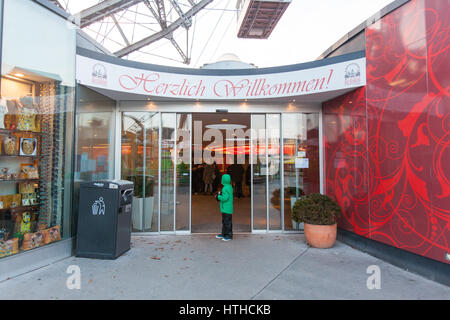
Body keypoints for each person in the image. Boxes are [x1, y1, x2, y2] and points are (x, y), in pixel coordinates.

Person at [215, 174, 233, 241]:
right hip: (226, 208)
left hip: (226, 209)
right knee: (225, 222)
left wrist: (218, 197)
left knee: (227, 223)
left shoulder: (225, 188)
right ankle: (224, 234)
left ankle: (228, 235)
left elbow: (225, 198)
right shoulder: (229, 186)